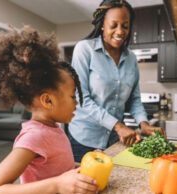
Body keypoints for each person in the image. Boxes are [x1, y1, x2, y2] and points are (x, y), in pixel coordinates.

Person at [0, 26, 99, 194]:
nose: (76, 103)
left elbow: (57, 169)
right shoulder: (35, 137)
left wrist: (82, 168)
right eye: (72, 97)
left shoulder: (53, 129)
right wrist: (57, 184)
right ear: (48, 100)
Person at [68, 0, 165, 162]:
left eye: (125, 26)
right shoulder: (84, 50)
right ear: (102, 25)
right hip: (83, 139)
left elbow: (134, 99)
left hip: (114, 140)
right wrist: (119, 126)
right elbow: (81, 98)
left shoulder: (131, 59)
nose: (120, 31)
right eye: (114, 25)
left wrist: (144, 124)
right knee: (85, 185)